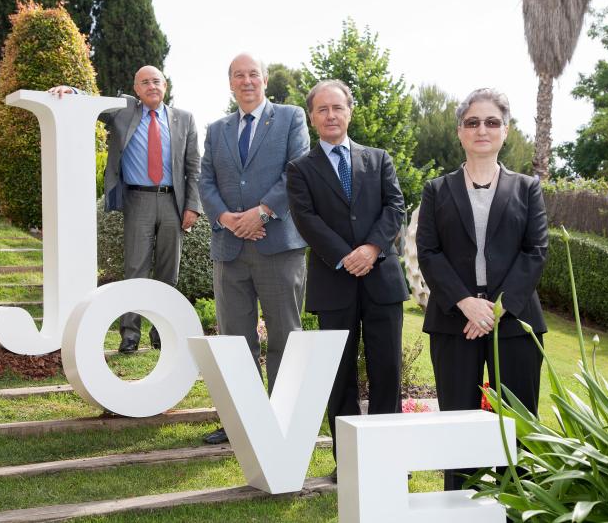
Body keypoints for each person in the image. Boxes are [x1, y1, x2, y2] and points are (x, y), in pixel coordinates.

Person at [416, 88, 548, 491]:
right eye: (472, 122)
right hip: (454, 321)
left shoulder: (528, 188)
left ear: (505, 131)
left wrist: (495, 309)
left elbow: (535, 251)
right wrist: (465, 303)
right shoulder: (436, 190)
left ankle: (516, 509)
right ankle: (461, 507)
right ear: (460, 132)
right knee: (458, 425)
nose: (482, 129)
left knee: (517, 428)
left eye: (492, 122)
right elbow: (429, 252)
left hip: (515, 324)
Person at [286, 80, 409, 479]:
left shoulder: (379, 159)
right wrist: (345, 256)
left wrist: (371, 249)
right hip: (334, 283)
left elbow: (395, 207)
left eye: (337, 108)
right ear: (312, 118)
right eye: (322, 110)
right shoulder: (300, 169)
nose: (331, 115)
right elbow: (306, 220)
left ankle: (391, 459)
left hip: (382, 280)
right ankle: (351, 464)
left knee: (387, 370)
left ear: (349, 112)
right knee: (339, 377)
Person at [49, 66, 201, 354]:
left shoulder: (185, 119)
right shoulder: (124, 110)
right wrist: (72, 92)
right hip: (138, 200)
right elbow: (95, 103)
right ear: (136, 89)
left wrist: (193, 206)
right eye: (144, 82)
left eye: (156, 81)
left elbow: (194, 167)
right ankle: (130, 335)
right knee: (135, 268)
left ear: (165, 85)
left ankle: (163, 333)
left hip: (173, 202)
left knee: (169, 273)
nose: (151, 86)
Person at [198, 53, 309, 444]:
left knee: (284, 335)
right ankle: (241, 421)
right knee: (234, 339)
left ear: (265, 80)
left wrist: (261, 213)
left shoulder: (291, 117)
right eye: (238, 75)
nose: (247, 81)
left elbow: (296, 172)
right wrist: (228, 219)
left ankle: (281, 420)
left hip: (278, 246)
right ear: (230, 83)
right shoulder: (216, 129)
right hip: (229, 248)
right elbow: (205, 179)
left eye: (253, 74)